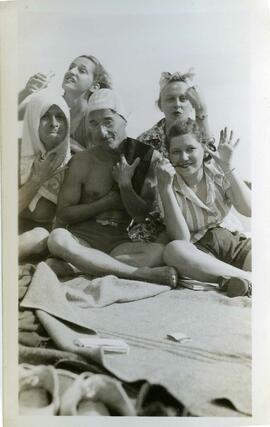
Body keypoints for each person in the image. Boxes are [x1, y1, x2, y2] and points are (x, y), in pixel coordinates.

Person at [47, 89, 177, 287]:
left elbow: (141, 215)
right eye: (93, 124)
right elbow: (64, 214)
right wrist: (105, 202)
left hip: (118, 245)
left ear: (124, 120)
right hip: (82, 240)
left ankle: (82, 266)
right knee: (57, 239)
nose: (101, 131)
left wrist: (125, 185)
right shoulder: (82, 161)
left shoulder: (143, 157)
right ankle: (139, 274)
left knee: (160, 252)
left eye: (108, 121)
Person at [156, 118, 252, 297]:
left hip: (231, 241)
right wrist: (165, 189)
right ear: (168, 155)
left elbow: (249, 210)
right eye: (176, 152)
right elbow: (182, 238)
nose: (183, 158)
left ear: (204, 148)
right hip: (201, 252)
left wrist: (228, 168)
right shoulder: (166, 183)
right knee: (173, 251)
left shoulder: (217, 171)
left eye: (190, 149)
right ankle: (248, 279)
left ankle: (235, 280)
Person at [18, 55, 112, 151]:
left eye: (82, 71)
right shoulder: (51, 103)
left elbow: (101, 158)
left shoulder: (94, 119)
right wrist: (26, 91)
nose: (72, 72)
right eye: (71, 68)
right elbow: (13, 115)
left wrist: (68, 143)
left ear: (94, 87)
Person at [19, 90, 71, 259]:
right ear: (33, 120)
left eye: (60, 117)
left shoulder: (73, 163)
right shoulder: (13, 156)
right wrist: (37, 179)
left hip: (41, 237)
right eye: (45, 116)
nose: (54, 123)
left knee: (39, 234)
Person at [137, 70, 211, 157]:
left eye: (183, 98)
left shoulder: (203, 134)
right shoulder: (144, 141)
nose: (177, 104)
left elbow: (209, 160)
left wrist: (201, 110)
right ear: (160, 105)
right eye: (170, 99)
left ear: (192, 105)